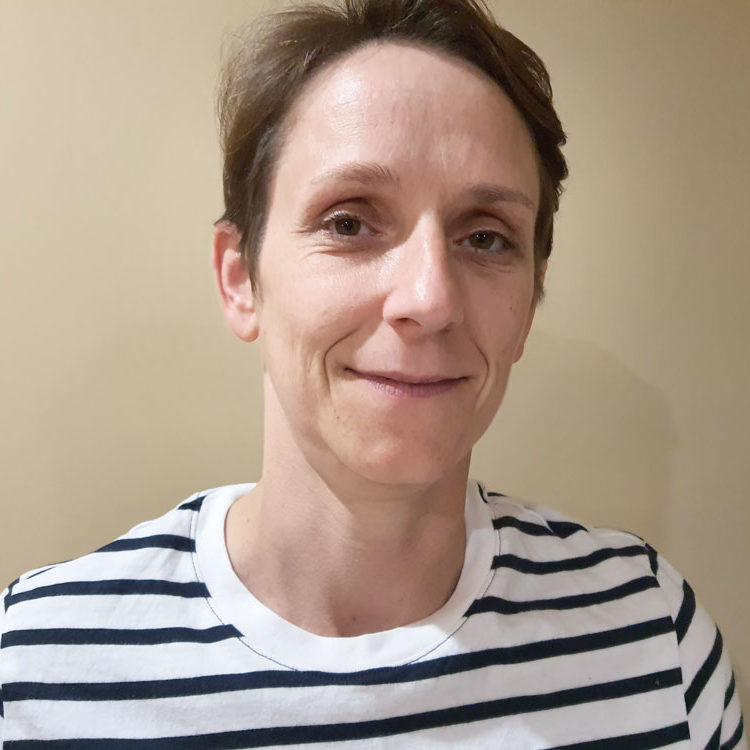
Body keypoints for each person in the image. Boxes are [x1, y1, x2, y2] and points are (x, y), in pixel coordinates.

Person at [0, 0, 745, 746]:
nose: (430, 298)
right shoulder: (32, 670)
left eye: (486, 237)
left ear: (528, 304)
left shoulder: (655, 639)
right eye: (349, 222)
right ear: (240, 279)